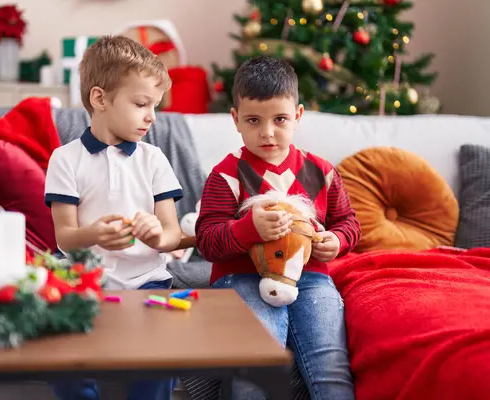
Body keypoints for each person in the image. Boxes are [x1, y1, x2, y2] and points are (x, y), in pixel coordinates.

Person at [195, 56, 361, 400]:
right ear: (235, 120)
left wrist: (337, 240)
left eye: (280, 119)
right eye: (253, 120)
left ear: (298, 116)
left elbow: (349, 223)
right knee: (259, 362)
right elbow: (207, 241)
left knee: (330, 364)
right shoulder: (226, 174)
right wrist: (247, 229)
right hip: (241, 277)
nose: (267, 132)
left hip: (311, 276)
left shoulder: (321, 170)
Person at [44, 35, 183, 400]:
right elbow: (64, 237)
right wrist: (92, 234)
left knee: (158, 364)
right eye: (141, 103)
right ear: (99, 99)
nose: (151, 116)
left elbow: (172, 233)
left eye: (155, 105)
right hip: (85, 284)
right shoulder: (65, 159)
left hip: (147, 282)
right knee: (67, 367)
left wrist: (156, 234)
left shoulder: (154, 159)